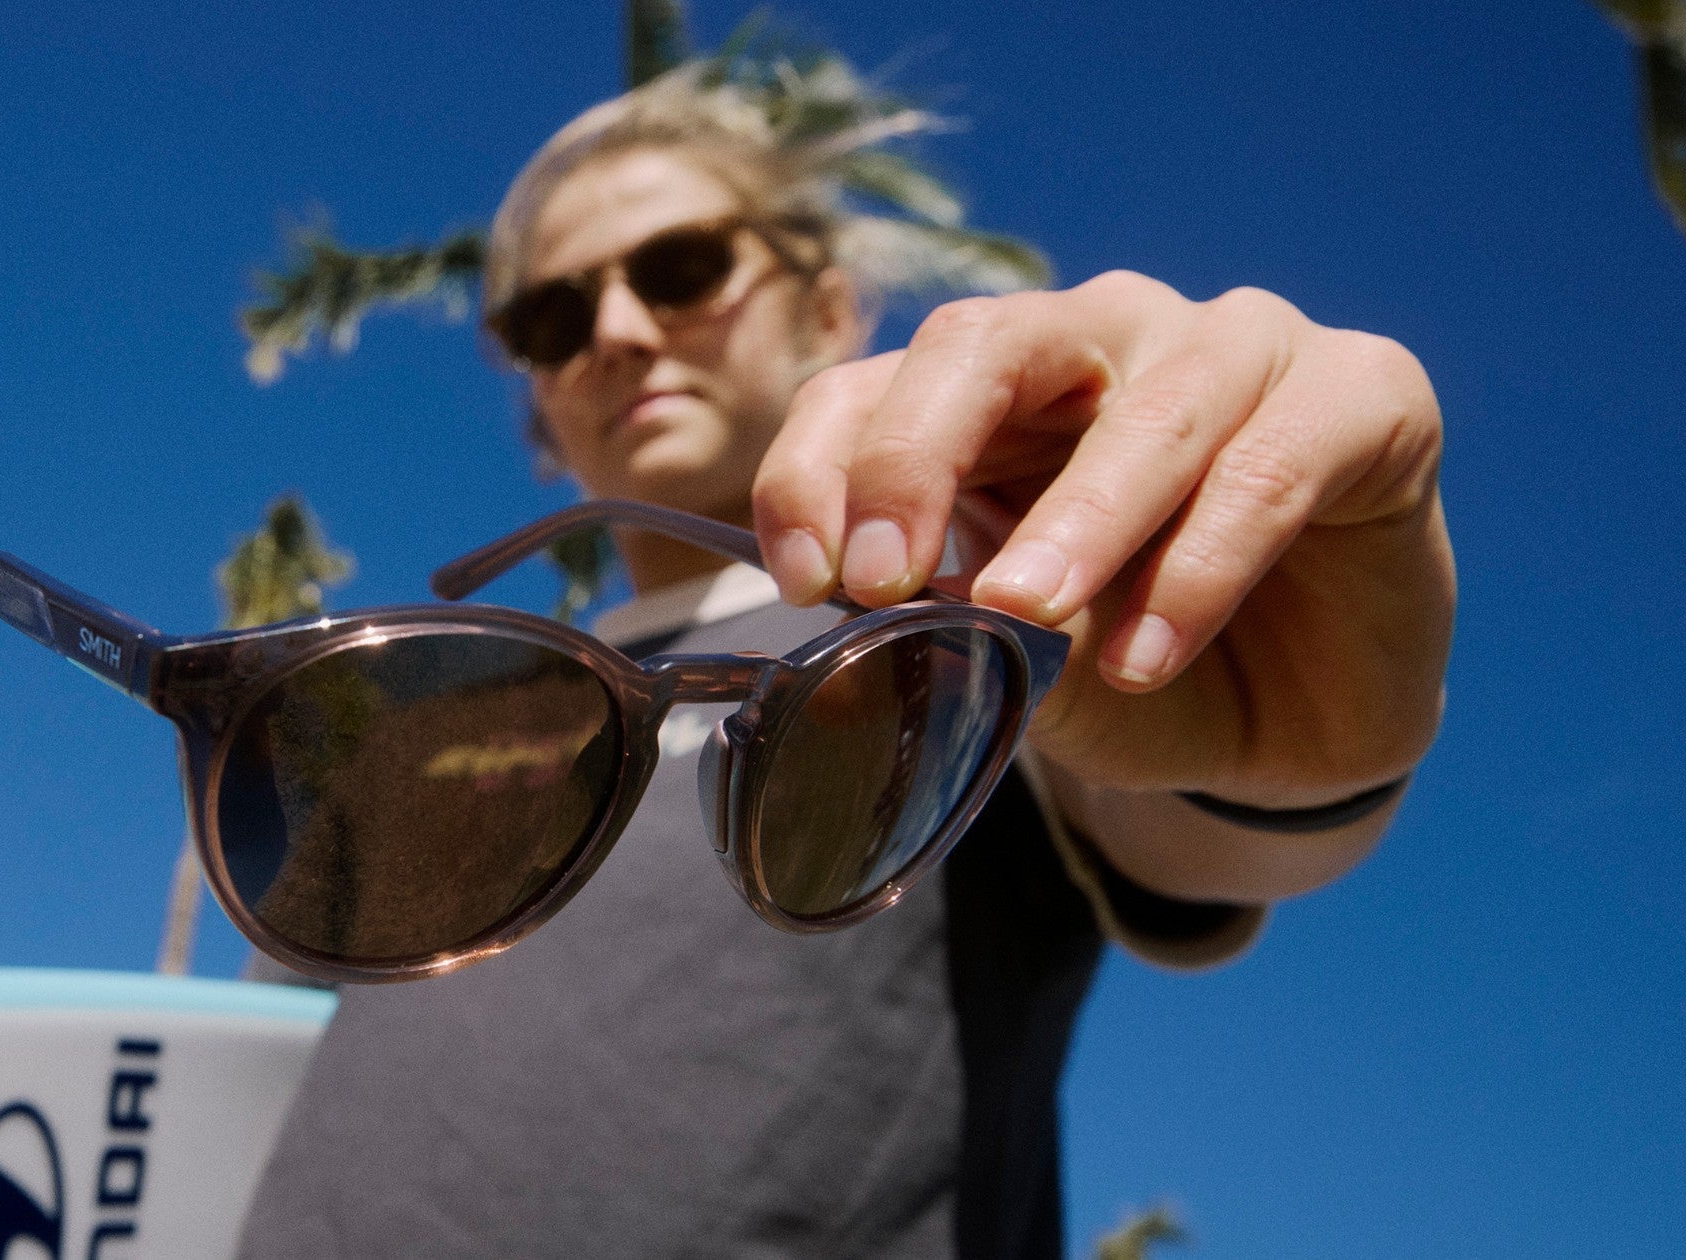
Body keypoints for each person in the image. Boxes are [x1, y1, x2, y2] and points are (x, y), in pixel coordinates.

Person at [234, 68, 1454, 1259]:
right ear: (537, 406)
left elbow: (1228, 805)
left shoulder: (966, 631)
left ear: (826, 312)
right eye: (550, 320)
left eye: (681, 268)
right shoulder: (414, 709)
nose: (615, 331)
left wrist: (1285, 728)